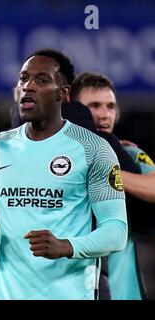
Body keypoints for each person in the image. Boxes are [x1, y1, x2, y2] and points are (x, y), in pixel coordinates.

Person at [0, 49, 128, 300]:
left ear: (64, 93)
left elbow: (116, 232)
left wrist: (67, 246)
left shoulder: (93, 149)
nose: (28, 86)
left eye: (42, 80)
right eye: (23, 78)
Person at [70, 71, 155, 300]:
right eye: (94, 105)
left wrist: (108, 171)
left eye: (110, 106)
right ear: (75, 109)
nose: (104, 114)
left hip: (124, 292)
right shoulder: (60, 159)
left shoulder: (129, 152)